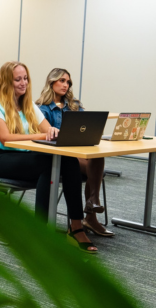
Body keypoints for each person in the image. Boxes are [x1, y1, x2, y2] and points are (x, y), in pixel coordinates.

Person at [0, 61, 97, 253]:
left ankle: (75, 227)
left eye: (25, 78)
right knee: (47, 164)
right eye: (17, 79)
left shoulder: (27, 104)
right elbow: (6, 138)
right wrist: (42, 135)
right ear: (6, 81)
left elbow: (46, 130)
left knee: (67, 160)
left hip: (24, 156)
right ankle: (41, 233)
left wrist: (52, 130)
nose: (23, 83)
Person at [37, 68, 113, 237]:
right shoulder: (42, 108)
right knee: (87, 163)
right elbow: (44, 137)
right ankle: (91, 215)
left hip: (77, 152)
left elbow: (87, 127)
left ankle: (92, 203)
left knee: (97, 155)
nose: (66, 85)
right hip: (57, 156)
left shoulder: (74, 105)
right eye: (62, 81)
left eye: (68, 82)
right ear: (52, 82)